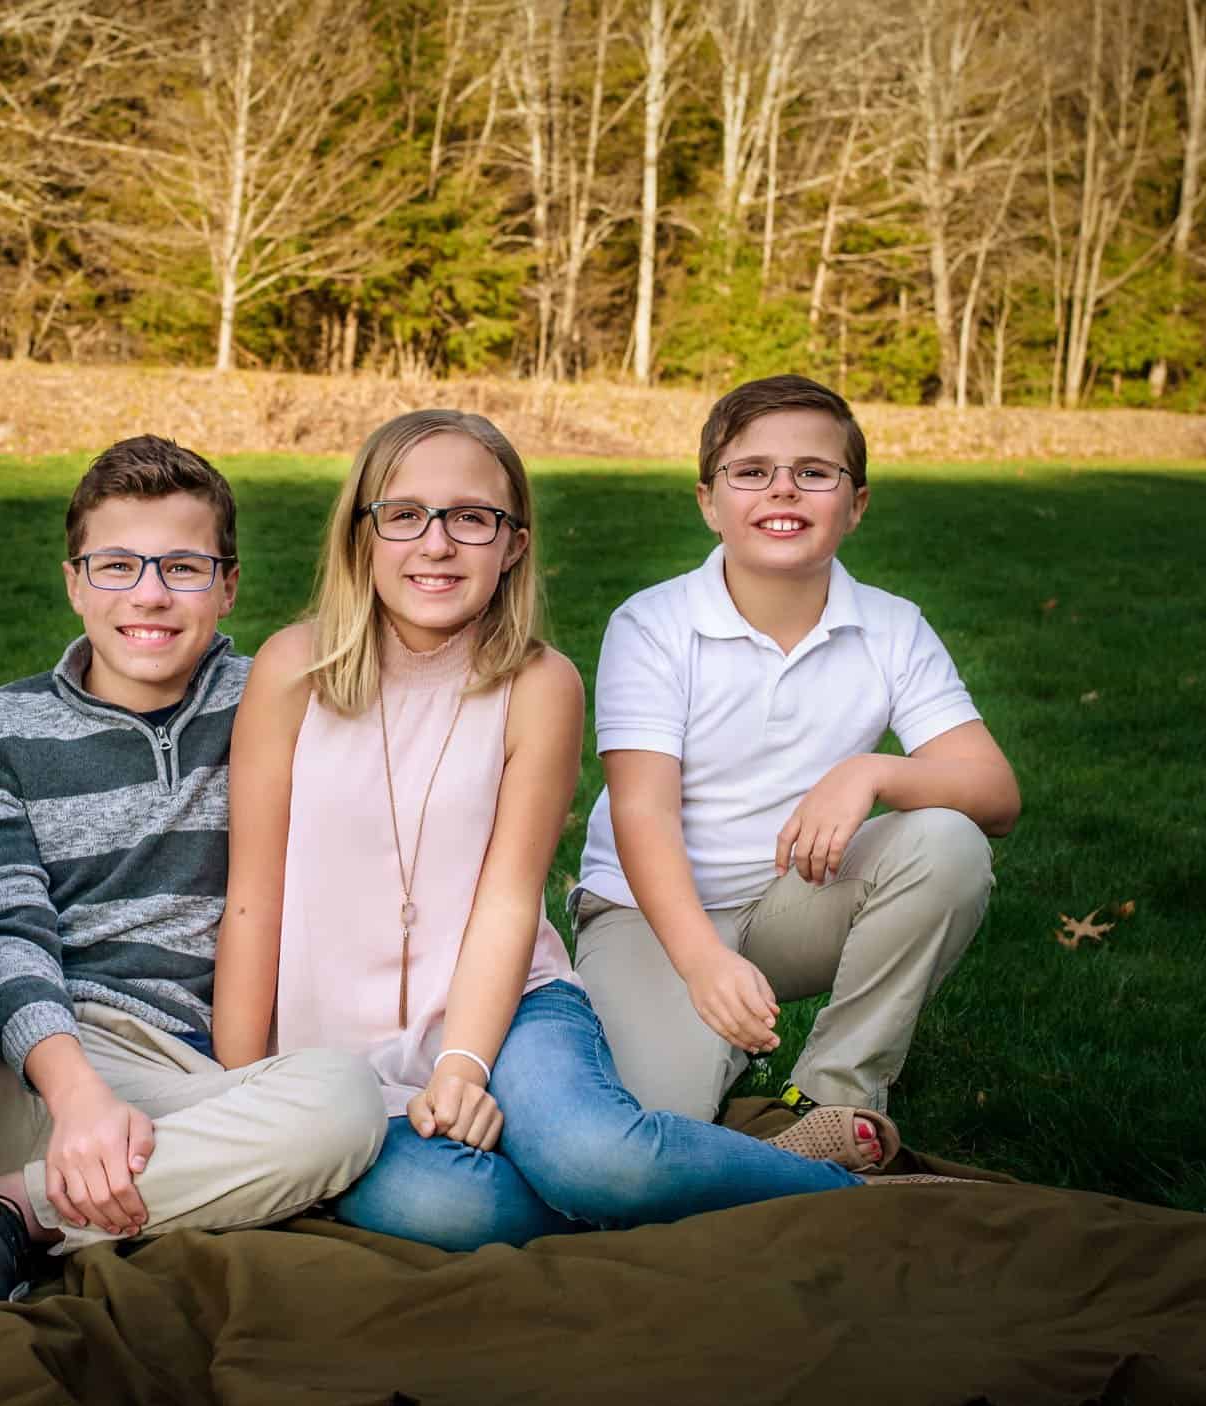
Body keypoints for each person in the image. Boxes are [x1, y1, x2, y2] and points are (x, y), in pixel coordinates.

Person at [212, 409, 883, 1255]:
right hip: (334, 1050)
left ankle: (846, 1193)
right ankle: (718, 1171)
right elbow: (253, 898)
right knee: (459, 1209)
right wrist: (243, 1088)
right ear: (362, 533)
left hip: (511, 1006)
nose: (437, 543)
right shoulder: (292, 669)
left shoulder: (539, 683)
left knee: (592, 1157)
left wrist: (464, 1064)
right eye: (404, 514)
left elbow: (506, 899)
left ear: (514, 543)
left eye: (472, 518)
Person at [0, 435, 386, 1309]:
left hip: (180, 1083)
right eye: (116, 565)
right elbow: (4, 927)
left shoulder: (279, 701)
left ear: (229, 583)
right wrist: (72, 1092)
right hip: (9, 1056)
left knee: (344, 1103)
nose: (149, 593)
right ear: (74, 582)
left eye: (183, 567)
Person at [571, 373, 1021, 1125]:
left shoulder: (892, 626)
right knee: (657, 1130)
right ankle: (703, 1032)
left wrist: (871, 770)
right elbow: (641, 813)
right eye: (751, 473)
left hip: (793, 900)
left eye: (813, 473)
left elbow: (996, 795)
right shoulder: (651, 624)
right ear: (709, 502)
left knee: (948, 841)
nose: (783, 491)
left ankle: (828, 1097)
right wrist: (704, 965)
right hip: (648, 910)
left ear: (856, 505)